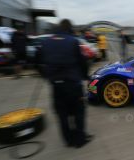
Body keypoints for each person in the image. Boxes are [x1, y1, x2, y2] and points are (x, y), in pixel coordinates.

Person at [37, 19, 93, 148]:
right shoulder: (73, 41)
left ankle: (68, 140)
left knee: (62, 114)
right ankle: (80, 140)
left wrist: (45, 75)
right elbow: (83, 62)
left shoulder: (45, 42)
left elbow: (37, 61)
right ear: (69, 28)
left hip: (56, 86)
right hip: (73, 85)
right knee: (79, 111)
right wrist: (85, 76)